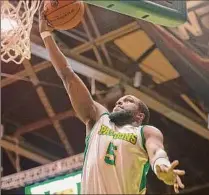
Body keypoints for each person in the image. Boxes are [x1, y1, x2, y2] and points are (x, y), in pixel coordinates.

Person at [39, 6, 185, 195]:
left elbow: (156, 150)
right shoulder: (99, 119)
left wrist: (161, 166)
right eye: (120, 100)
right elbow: (67, 75)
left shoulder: (145, 132)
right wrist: (45, 35)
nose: (119, 102)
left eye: (128, 100)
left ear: (139, 115)